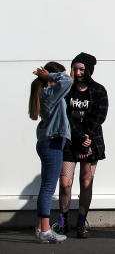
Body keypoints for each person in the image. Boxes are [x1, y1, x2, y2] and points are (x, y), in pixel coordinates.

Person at [57, 52, 108, 239]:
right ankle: (62, 221)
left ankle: (80, 222)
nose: (77, 73)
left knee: (86, 182)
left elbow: (99, 117)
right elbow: (66, 116)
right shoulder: (67, 90)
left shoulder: (99, 90)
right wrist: (78, 138)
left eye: (81, 69)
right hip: (70, 141)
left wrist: (86, 138)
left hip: (91, 141)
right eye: (75, 68)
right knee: (65, 182)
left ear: (88, 70)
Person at [30, 62, 72, 244]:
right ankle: (46, 231)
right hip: (53, 144)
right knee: (48, 189)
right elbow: (68, 80)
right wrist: (50, 76)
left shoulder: (48, 94)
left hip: (48, 143)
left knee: (45, 188)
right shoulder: (50, 93)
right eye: (58, 75)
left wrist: (49, 76)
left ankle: (41, 228)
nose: (61, 77)